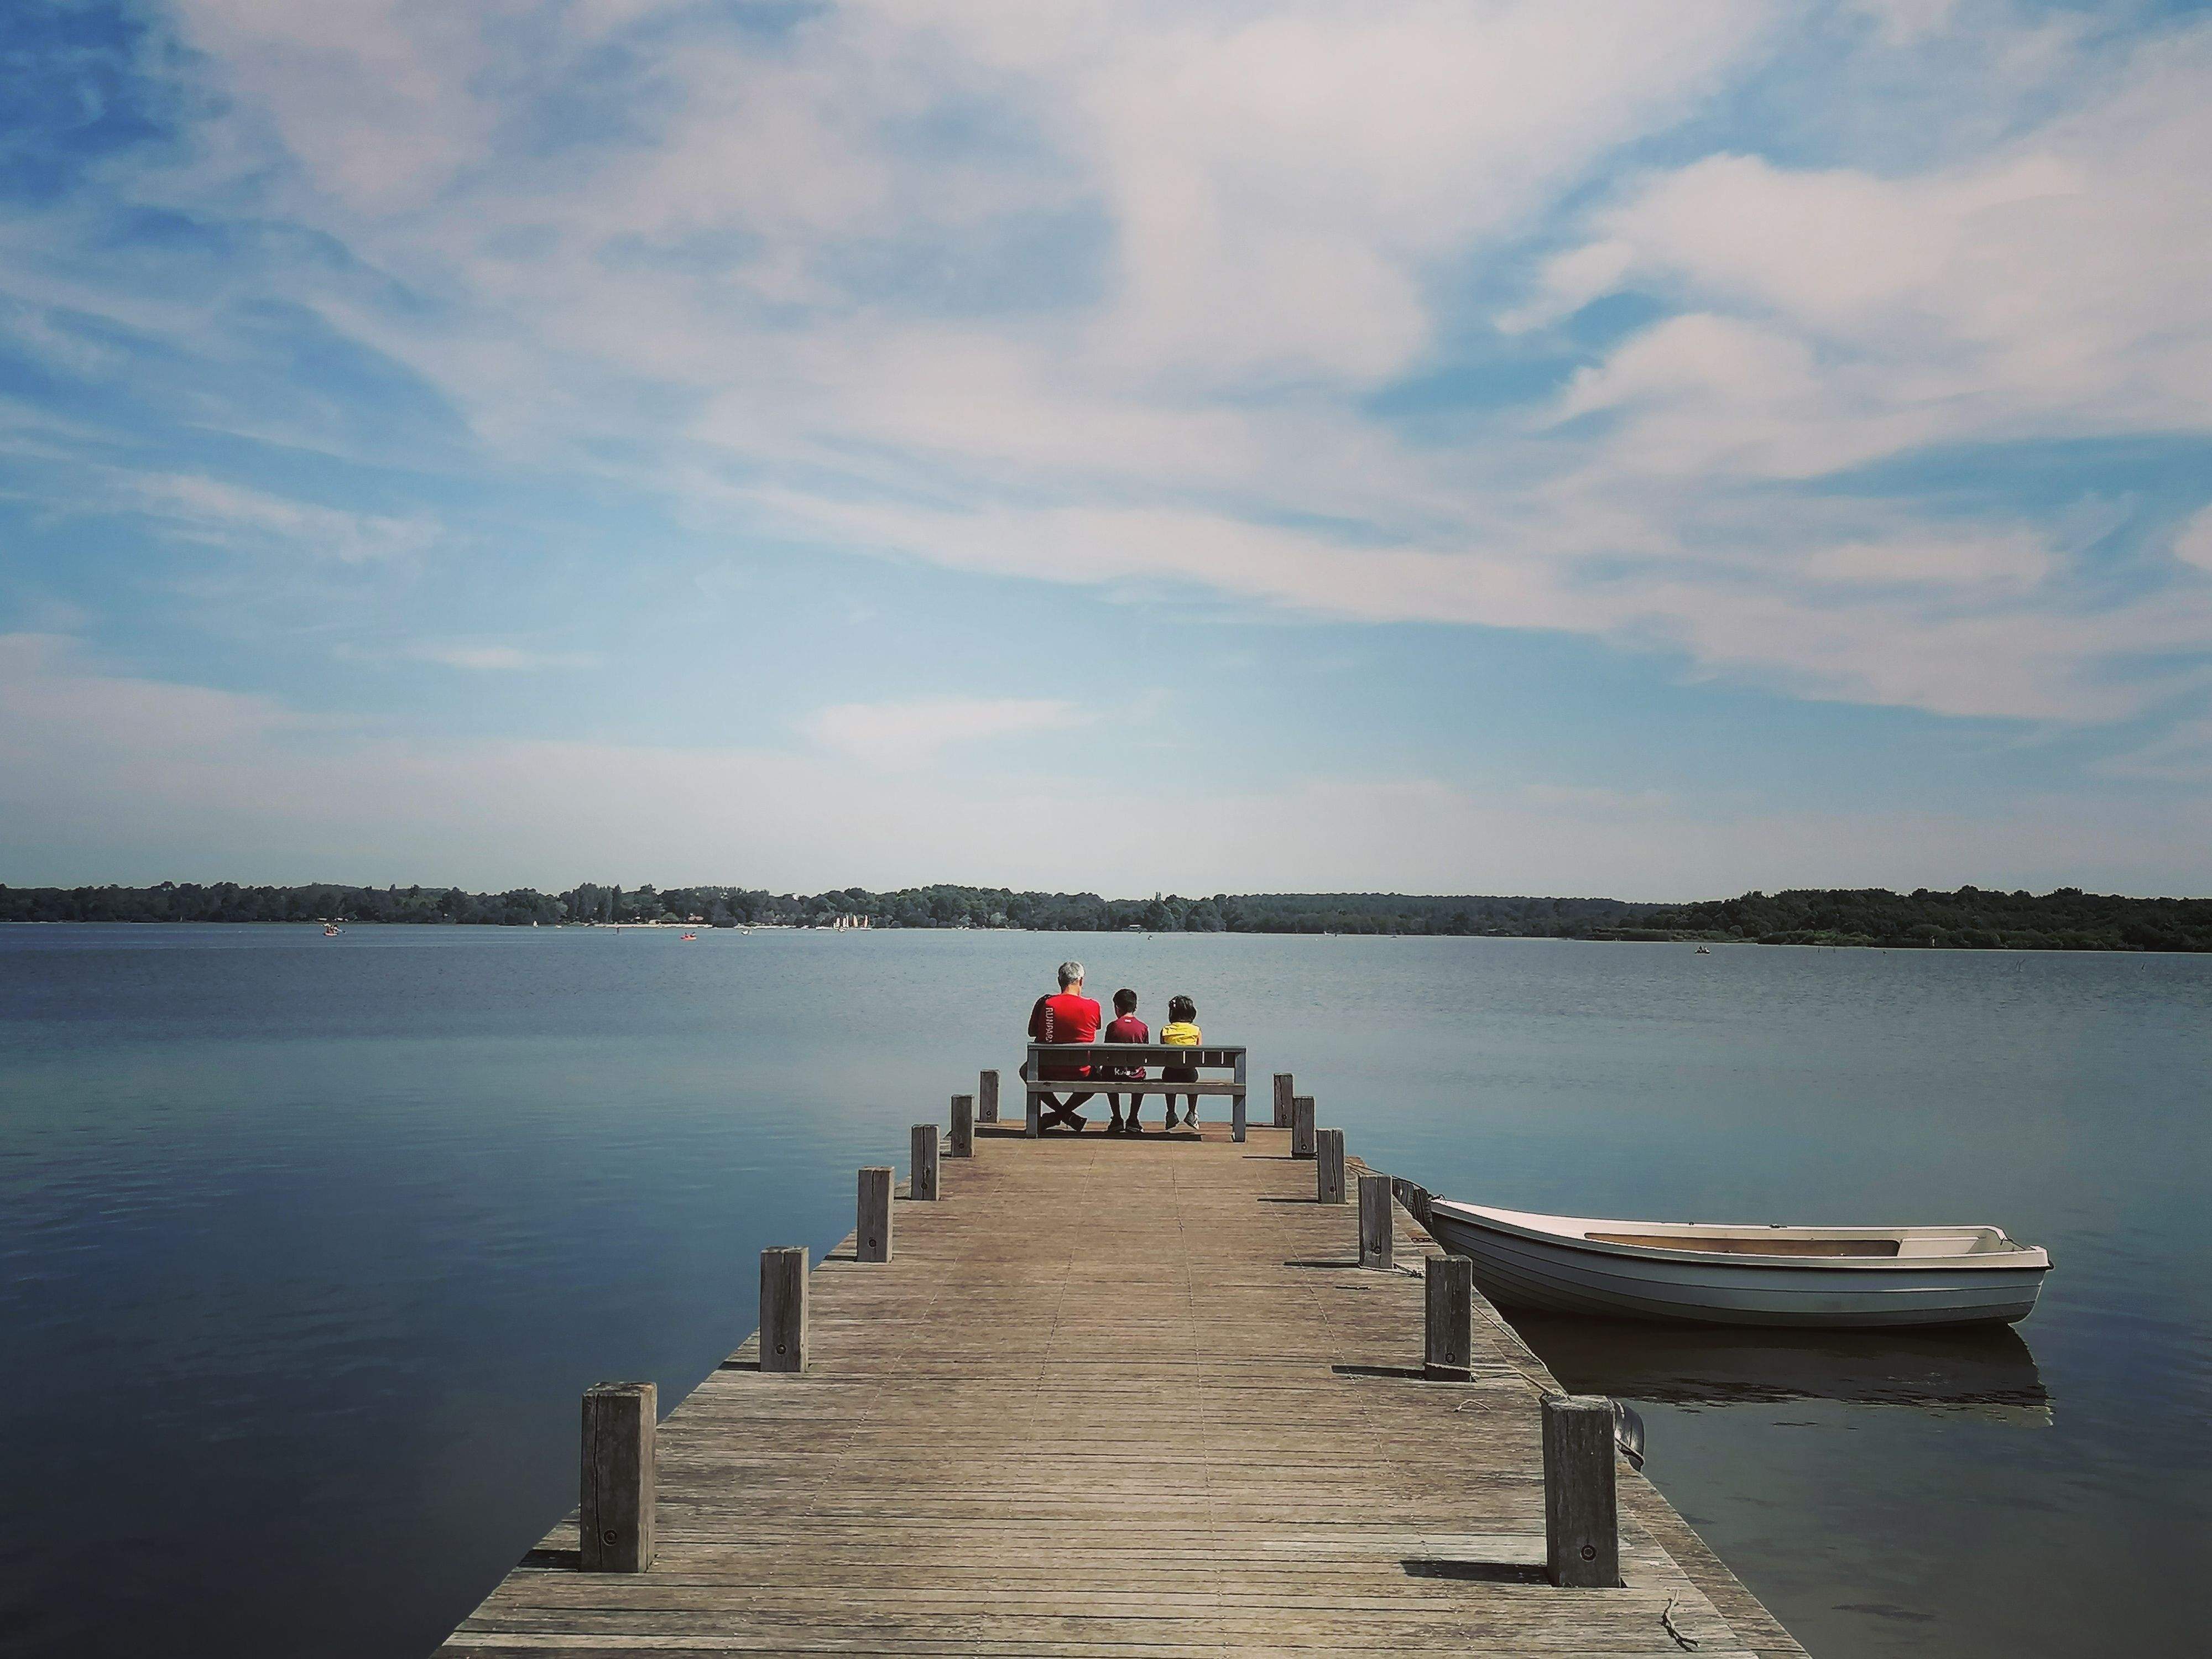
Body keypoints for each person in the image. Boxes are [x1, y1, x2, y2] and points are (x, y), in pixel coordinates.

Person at [1028, 960, 1100, 1131]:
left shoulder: (1048, 1005)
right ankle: (1066, 1115)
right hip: (1081, 1071)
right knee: (1097, 1077)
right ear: (1081, 981)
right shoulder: (1093, 1005)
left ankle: (1060, 1115)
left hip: (1050, 1069)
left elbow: (1032, 1032)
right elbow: (1097, 1026)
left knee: (1027, 1071)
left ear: (1059, 981)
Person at [1099, 988, 1149, 1134]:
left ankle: (1117, 1119)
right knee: (1141, 1073)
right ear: (1135, 1007)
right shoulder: (1143, 1027)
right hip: (1135, 1075)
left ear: (1117, 1008)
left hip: (1114, 1074)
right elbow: (1145, 1053)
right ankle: (1133, 1119)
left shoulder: (1113, 1026)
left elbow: (1107, 1052)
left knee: (1107, 1072)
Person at [1160, 994, 1201, 1129]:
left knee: (1168, 1075)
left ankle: (1171, 1113)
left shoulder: (1165, 1030)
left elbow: (1163, 1054)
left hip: (1170, 1073)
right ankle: (1191, 1113)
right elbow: (1198, 1054)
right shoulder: (1196, 1030)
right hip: (1189, 1074)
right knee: (1193, 1076)